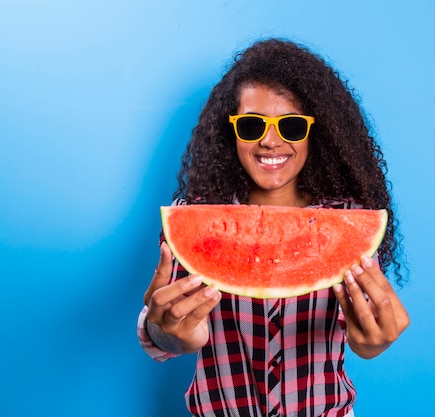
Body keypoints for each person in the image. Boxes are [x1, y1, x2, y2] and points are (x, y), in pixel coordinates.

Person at [137, 38, 410, 417]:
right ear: (230, 131)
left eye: (292, 125)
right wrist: (160, 331)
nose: (269, 140)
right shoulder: (195, 217)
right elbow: (163, 332)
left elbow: (364, 329)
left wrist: (374, 342)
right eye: (251, 125)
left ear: (317, 132)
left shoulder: (350, 221)